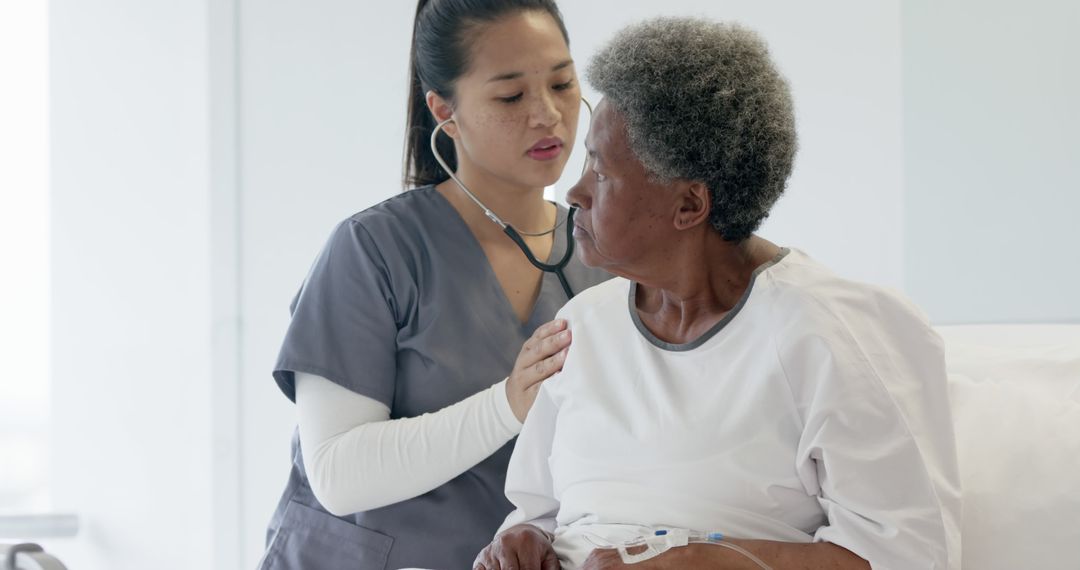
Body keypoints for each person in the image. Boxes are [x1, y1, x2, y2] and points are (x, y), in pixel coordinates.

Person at [476, 17, 962, 570]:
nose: (575, 192)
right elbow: (539, 512)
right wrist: (521, 541)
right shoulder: (582, 326)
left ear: (689, 205)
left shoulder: (835, 332)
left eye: (602, 172)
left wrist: (699, 561)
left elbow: (910, 556)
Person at [256, 1, 609, 568]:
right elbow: (337, 474)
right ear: (445, 111)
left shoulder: (604, 257)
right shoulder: (374, 251)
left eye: (563, 83)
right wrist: (507, 405)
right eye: (511, 96)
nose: (548, 114)